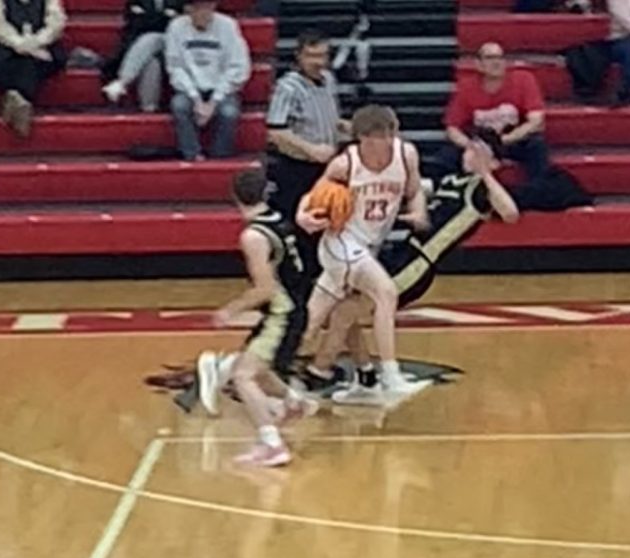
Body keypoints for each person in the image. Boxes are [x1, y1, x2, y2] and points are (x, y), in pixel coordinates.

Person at [302, 131, 521, 400]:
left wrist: (486, 173)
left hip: (418, 263)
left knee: (345, 312)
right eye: (470, 148)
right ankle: (364, 373)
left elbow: (510, 214)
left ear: (494, 162)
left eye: (480, 150)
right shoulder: (450, 180)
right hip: (401, 251)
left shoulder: (481, 189)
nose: (471, 153)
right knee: (341, 307)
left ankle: (321, 372)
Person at [297, 105, 428, 395]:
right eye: (367, 139)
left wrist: (418, 211)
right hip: (339, 243)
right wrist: (302, 217)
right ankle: (391, 376)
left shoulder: (406, 155)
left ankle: (231, 369)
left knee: (309, 325)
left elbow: (415, 190)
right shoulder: (345, 165)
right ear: (360, 138)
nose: (375, 144)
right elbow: (313, 195)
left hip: (366, 247)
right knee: (386, 292)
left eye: (381, 137)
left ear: (391, 135)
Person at [199, 169, 318, 466]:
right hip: (295, 306)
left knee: (243, 376)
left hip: (282, 314)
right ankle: (295, 402)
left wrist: (230, 310)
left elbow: (264, 288)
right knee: (257, 367)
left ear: (235, 197)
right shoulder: (279, 222)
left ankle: (271, 445)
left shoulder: (253, 236)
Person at [264, 29, 349, 277]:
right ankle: (299, 276)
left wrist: (349, 127)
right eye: (312, 56)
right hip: (296, 167)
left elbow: (328, 119)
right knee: (300, 225)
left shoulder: (329, 81)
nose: (318, 62)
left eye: (322, 55)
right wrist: (310, 149)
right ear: (299, 56)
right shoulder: (287, 87)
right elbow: (276, 131)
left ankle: (323, 273)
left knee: (327, 221)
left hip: (326, 167)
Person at [442, 42, 548, 180]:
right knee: (446, 156)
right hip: (481, 142)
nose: (496, 62)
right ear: (478, 64)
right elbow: (452, 128)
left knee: (537, 146)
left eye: (500, 57)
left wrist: (507, 139)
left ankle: (537, 193)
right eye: (490, 58)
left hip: (513, 139)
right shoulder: (467, 86)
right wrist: (471, 145)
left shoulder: (523, 79)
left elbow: (536, 121)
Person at [165, 0, 251, 161]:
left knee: (229, 113)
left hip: (222, 88)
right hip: (190, 88)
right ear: (188, 9)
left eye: (207, 8)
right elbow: (176, 67)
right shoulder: (176, 27)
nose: (202, 13)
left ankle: (220, 157)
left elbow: (238, 67)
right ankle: (192, 154)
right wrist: (196, 98)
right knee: (179, 105)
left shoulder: (229, 26)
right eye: (197, 9)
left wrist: (214, 101)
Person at [0, 0, 68, 138]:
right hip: (7, 44)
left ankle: (16, 97)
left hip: (41, 44)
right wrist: (19, 43)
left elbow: (56, 23)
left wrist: (35, 42)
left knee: (33, 62)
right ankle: (23, 100)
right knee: (2, 60)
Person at [101, 0, 185, 112]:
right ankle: (149, 108)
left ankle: (122, 82)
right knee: (151, 62)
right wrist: (163, 17)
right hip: (139, 46)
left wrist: (149, 18)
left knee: (151, 38)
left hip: (175, 46)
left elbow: (179, 25)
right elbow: (136, 23)